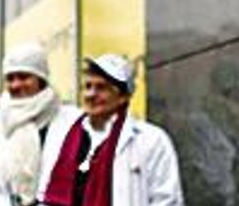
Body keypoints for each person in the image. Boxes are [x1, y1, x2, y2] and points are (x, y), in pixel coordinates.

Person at [37, 54, 184, 206]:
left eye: (101, 88)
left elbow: (167, 200)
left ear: (123, 97)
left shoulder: (151, 141)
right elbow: (45, 193)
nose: (91, 94)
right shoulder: (63, 136)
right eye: (87, 87)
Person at [0, 42, 78, 206]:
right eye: (10, 78)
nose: (16, 85)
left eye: (24, 77)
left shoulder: (72, 120)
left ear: (41, 79)